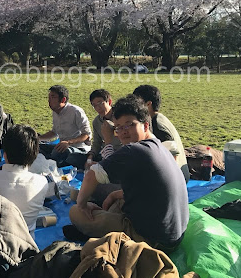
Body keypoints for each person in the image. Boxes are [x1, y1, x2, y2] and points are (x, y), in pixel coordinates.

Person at [68, 95, 189, 251]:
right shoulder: (157, 145)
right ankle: (100, 226)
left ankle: (97, 231)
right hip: (173, 234)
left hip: (153, 240)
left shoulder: (135, 150)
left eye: (129, 125)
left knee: (75, 212)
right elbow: (146, 188)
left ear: (145, 126)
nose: (123, 132)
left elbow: (92, 174)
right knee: (113, 200)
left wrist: (82, 205)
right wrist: (114, 195)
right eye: (118, 127)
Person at [133, 85, 190, 182]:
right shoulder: (158, 118)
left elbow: (170, 161)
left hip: (175, 180)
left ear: (148, 104)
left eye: (136, 103)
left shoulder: (158, 126)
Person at [38, 85, 91, 169]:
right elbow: (54, 133)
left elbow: (86, 135)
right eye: (49, 97)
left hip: (77, 148)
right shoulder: (55, 112)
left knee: (66, 154)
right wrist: (38, 139)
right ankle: (51, 160)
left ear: (63, 100)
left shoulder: (76, 111)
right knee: (37, 146)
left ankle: (50, 161)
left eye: (53, 97)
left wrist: (68, 143)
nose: (49, 100)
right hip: (61, 147)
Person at [85, 89, 123, 170]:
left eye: (100, 103)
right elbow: (97, 143)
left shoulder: (121, 117)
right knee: (74, 158)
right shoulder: (96, 122)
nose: (98, 108)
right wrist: (90, 157)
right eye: (94, 105)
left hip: (120, 154)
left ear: (109, 102)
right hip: (104, 152)